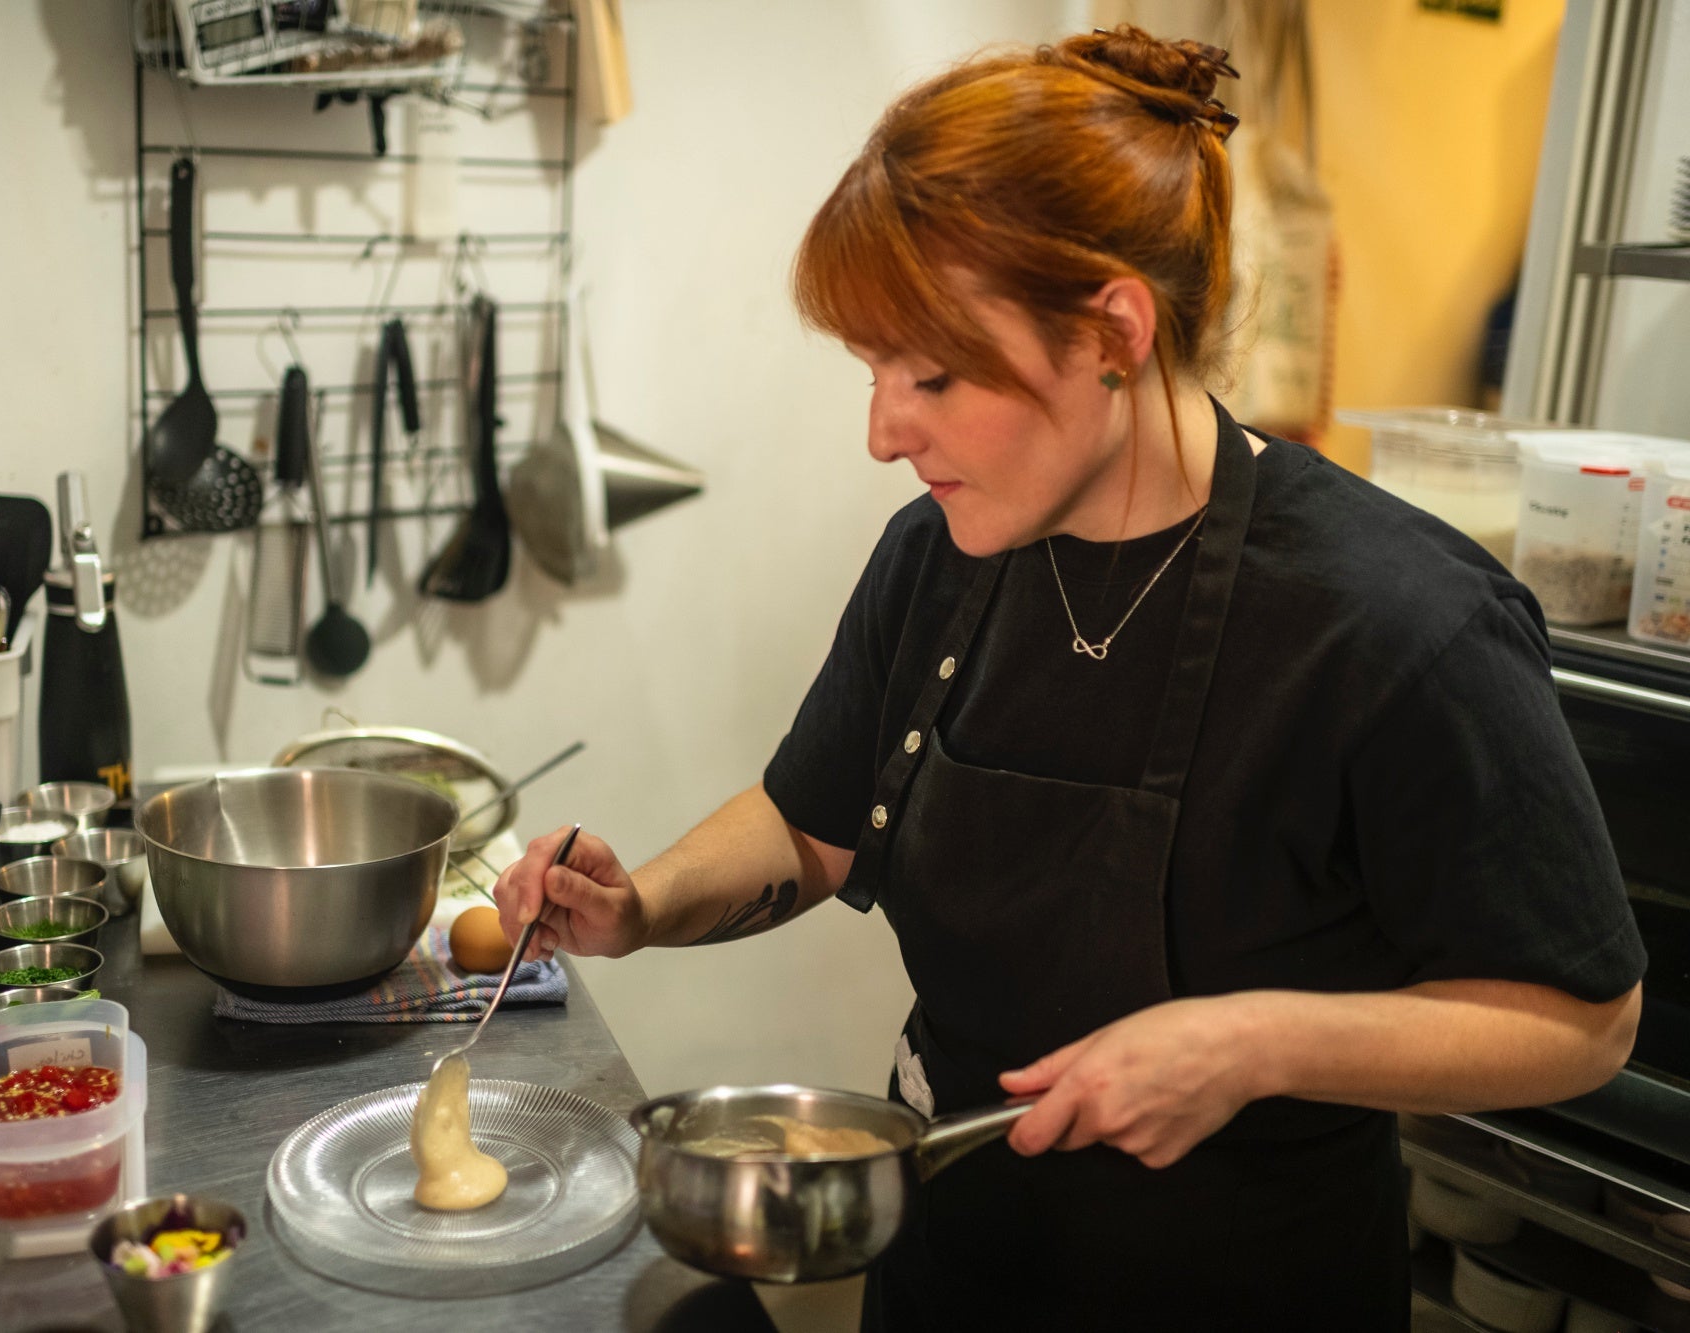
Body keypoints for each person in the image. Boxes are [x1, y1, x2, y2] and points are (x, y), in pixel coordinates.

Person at [494, 26, 1645, 1331]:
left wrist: (1253, 1043)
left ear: (1112, 329)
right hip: (954, 1262)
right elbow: (816, 822)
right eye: (872, 370)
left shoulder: (1398, 624)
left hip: (1242, 1287)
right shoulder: (940, 554)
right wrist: (640, 903)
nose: (882, 432)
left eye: (931, 373)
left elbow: (1583, 1017)